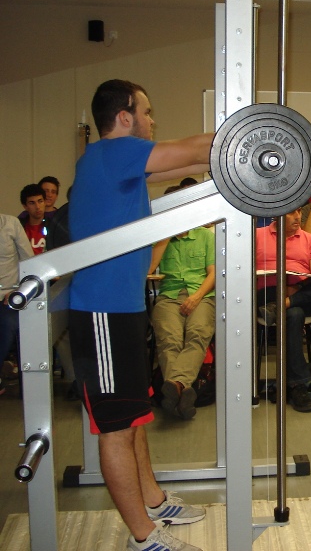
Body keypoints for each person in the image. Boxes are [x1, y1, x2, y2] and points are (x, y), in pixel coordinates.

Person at [68, 79, 212, 551]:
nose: (152, 121)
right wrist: (249, 139)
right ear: (125, 117)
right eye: (147, 112)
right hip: (101, 314)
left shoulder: (117, 165)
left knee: (135, 416)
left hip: (124, 310)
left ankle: (153, 502)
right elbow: (192, 149)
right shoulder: (114, 152)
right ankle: (143, 537)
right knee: (115, 428)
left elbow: (192, 162)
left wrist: (232, 159)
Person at [256, 209, 311, 412]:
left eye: (299, 211)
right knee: (295, 314)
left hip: (301, 291)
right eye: (291, 213)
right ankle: (297, 385)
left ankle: (284, 304)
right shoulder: (258, 235)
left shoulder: (310, 239)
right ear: (277, 214)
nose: (298, 216)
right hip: (267, 294)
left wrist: (297, 288)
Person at [149, 223, 216, 421]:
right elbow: (149, 269)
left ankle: (176, 387)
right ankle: (182, 390)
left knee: (198, 334)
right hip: (169, 295)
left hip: (201, 295)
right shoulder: (160, 237)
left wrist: (197, 297)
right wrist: (164, 237)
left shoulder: (205, 235)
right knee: (169, 339)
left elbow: (213, 273)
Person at [0, 214, 34, 395]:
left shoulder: (11, 224)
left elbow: (30, 263)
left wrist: (19, 290)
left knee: (7, 325)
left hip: (10, 295)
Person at [18, 184, 47, 255]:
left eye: (40, 201)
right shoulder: (18, 228)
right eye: (32, 203)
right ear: (25, 206)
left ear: (45, 202)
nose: (37, 207)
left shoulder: (54, 226)